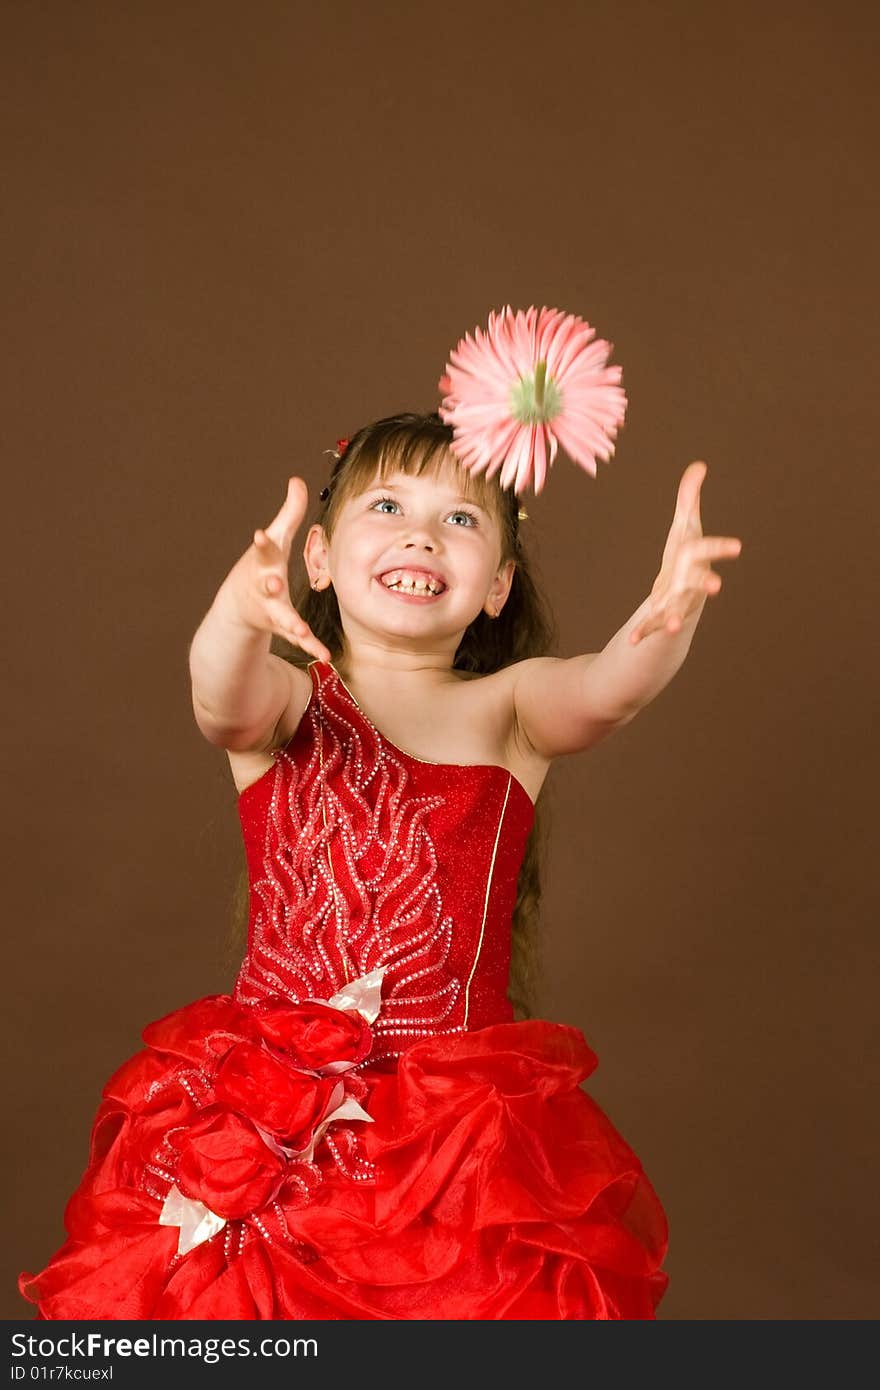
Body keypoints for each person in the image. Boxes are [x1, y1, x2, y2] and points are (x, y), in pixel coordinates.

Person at [19, 410, 742, 1320]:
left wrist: (661, 624)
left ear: (497, 587)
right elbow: (220, 697)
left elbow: (605, 691)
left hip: (461, 1146)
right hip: (262, 1137)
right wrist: (240, 614)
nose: (421, 534)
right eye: (391, 505)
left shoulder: (510, 711)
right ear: (317, 558)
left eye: (462, 520)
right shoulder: (287, 703)